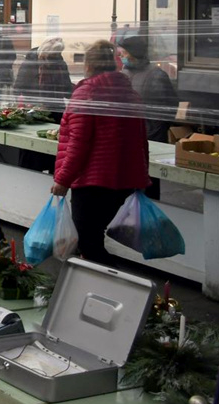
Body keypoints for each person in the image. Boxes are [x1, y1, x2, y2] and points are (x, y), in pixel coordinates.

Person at [51, 40, 150, 264]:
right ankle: (95, 277)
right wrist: (142, 176)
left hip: (92, 182)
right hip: (123, 180)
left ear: (88, 65)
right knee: (92, 237)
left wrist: (63, 179)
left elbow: (78, 143)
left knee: (88, 240)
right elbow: (140, 140)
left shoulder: (86, 94)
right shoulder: (130, 94)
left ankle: (107, 279)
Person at [119, 36, 178, 200]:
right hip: (129, 134)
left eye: (124, 53)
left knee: (149, 180)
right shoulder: (124, 73)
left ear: (134, 53)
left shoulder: (156, 75)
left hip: (151, 135)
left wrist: (156, 127)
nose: (121, 56)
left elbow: (170, 106)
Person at [14, 37, 74, 173]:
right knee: (32, 155)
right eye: (52, 56)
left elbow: (66, 89)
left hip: (55, 113)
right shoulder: (31, 63)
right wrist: (30, 103)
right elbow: (18, 88)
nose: (53, 59)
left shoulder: (60, 63)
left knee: (54, 152)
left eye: (57, 55)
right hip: (35, 114)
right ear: (44, 52)